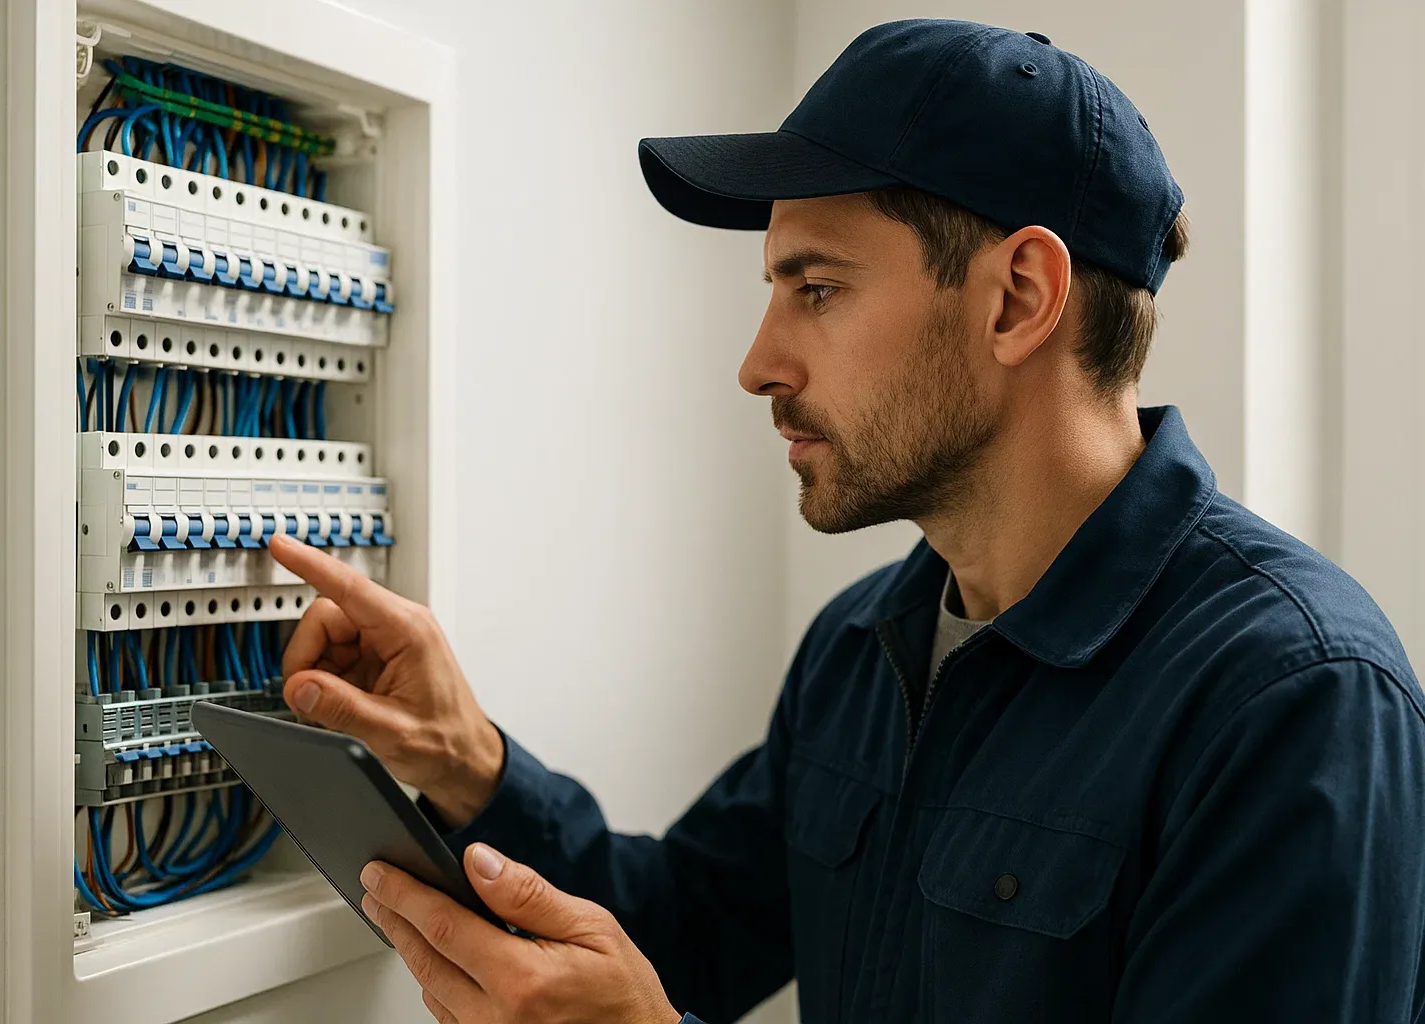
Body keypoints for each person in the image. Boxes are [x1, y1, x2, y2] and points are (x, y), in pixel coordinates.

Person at [268, 18, 1425, 1024]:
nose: (759, 363)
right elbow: (685, 930)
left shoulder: (1292, 699)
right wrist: (466, 758)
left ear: (1019, 297)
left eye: (816, 290)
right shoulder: (863, 648)